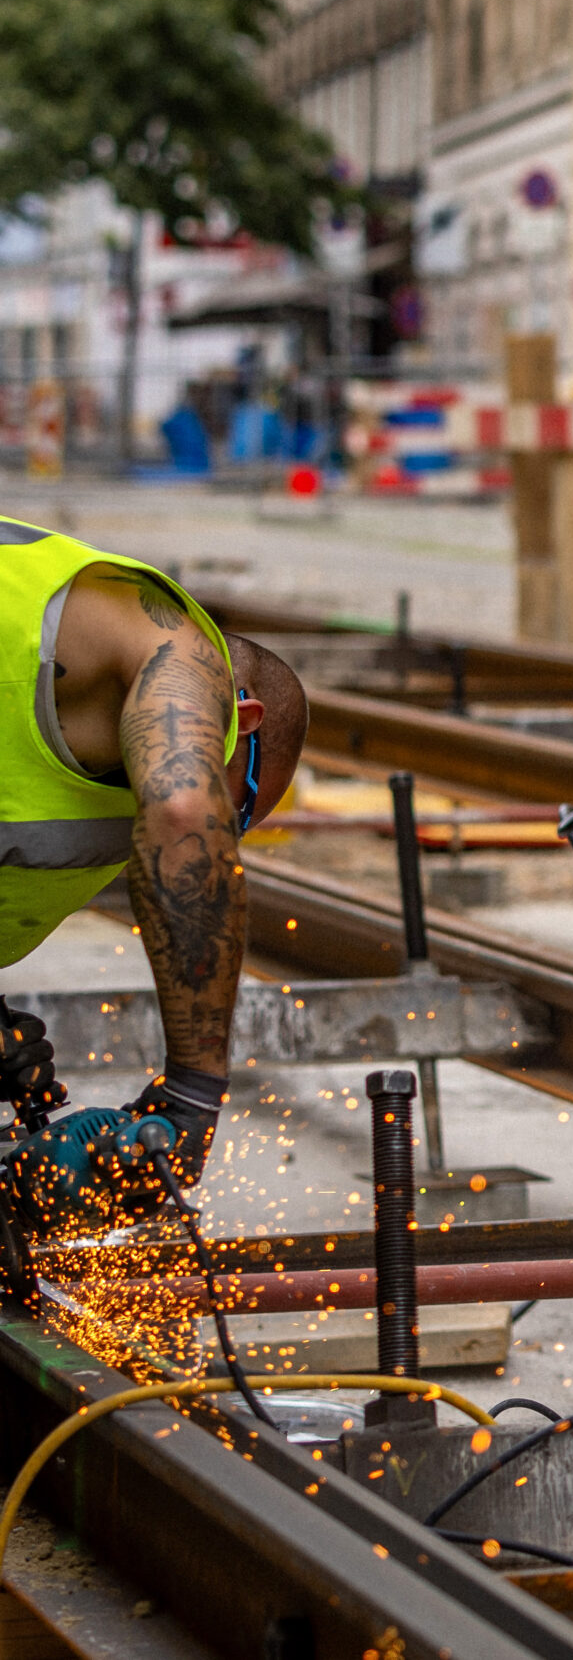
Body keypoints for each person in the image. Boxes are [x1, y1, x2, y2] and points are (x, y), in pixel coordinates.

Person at [0, 519, 308, 1216]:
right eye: (240, 814)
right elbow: (181, 815)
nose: (224, 835)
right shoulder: (172, 652)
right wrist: (194, 1092)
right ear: (241, 720)